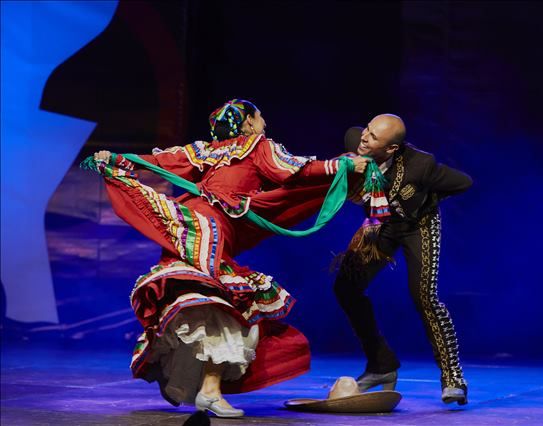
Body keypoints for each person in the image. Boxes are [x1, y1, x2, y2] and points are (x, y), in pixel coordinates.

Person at [89, 99, 369, 417]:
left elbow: (164, 160)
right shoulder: (258, 146)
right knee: (225, 302)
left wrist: (119, 158)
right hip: (209, 229)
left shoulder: (206, 150)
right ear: (248, 123)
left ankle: (201, 386)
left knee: (201, 299)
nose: (264, 121)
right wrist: (340, 166)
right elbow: (292, 171)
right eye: (259, 115)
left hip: (187, 225)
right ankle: (207, 389)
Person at [334, 114, 472, 405]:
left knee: (424, 296)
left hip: (417, 226)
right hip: (380, 226)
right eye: (367, 130)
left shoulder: (421, 165)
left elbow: (463, 182)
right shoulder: (354, 143)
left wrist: (426, 199)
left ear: (391, 148)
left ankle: (453, 377)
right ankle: (381, 366)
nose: (364, 138)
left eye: (372, 137)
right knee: (346, 286)